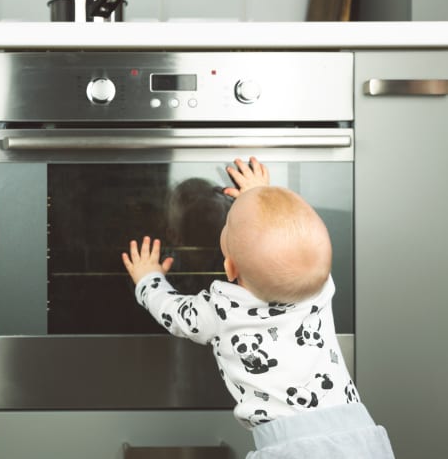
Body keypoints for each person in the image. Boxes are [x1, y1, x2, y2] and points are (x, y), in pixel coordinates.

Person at [122, 157, 394, 458]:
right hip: (358, 432)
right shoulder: (318, 286)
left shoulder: (221, 309)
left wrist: (148, 278)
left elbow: (172, 311)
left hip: (290, 447)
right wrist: (261, 195)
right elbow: (294, 238)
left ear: (229, 266)